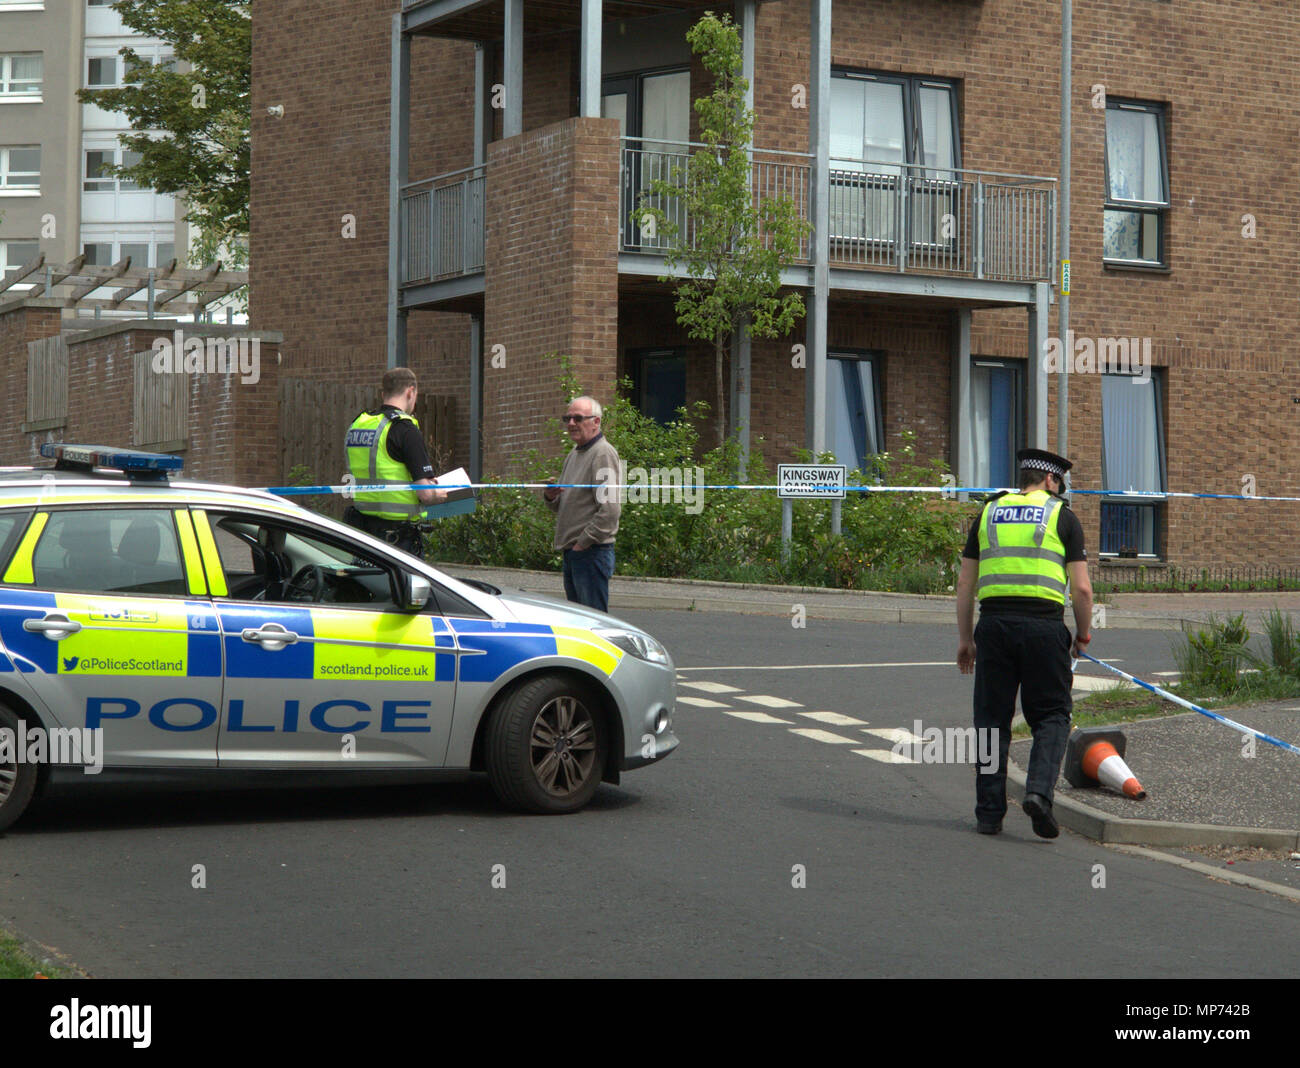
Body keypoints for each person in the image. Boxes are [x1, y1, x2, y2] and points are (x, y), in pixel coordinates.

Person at [955, 448, 1093, 838]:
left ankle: (988, 814)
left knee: (991, 720)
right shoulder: (1061, 516)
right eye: (1059, 484)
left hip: (993, 627)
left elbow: (966, 583)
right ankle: (1037, 794)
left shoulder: (988, 512)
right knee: (1051, 716)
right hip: (1043, 630)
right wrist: (1082, 635)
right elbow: (1081, 590)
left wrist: (966, 639)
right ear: (1051, 480)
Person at [343, 367, 446, 558]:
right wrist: (438, 494)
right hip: (397, 539)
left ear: (383, 394)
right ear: (410, 391)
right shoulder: (404, 428)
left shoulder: (358, 424)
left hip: (361, 534)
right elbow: (426, 494)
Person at [543, 395, 620, 612]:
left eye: (578, 418)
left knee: (594, 623)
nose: (570, 424)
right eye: (567, 418)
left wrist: (582, 544)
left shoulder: (602, 453)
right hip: (574, 553)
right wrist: (551, 497)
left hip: (591, 553)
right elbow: (563, 504)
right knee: (578, 621)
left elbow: (610, 510)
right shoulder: (574, 454)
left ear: (596, 422)